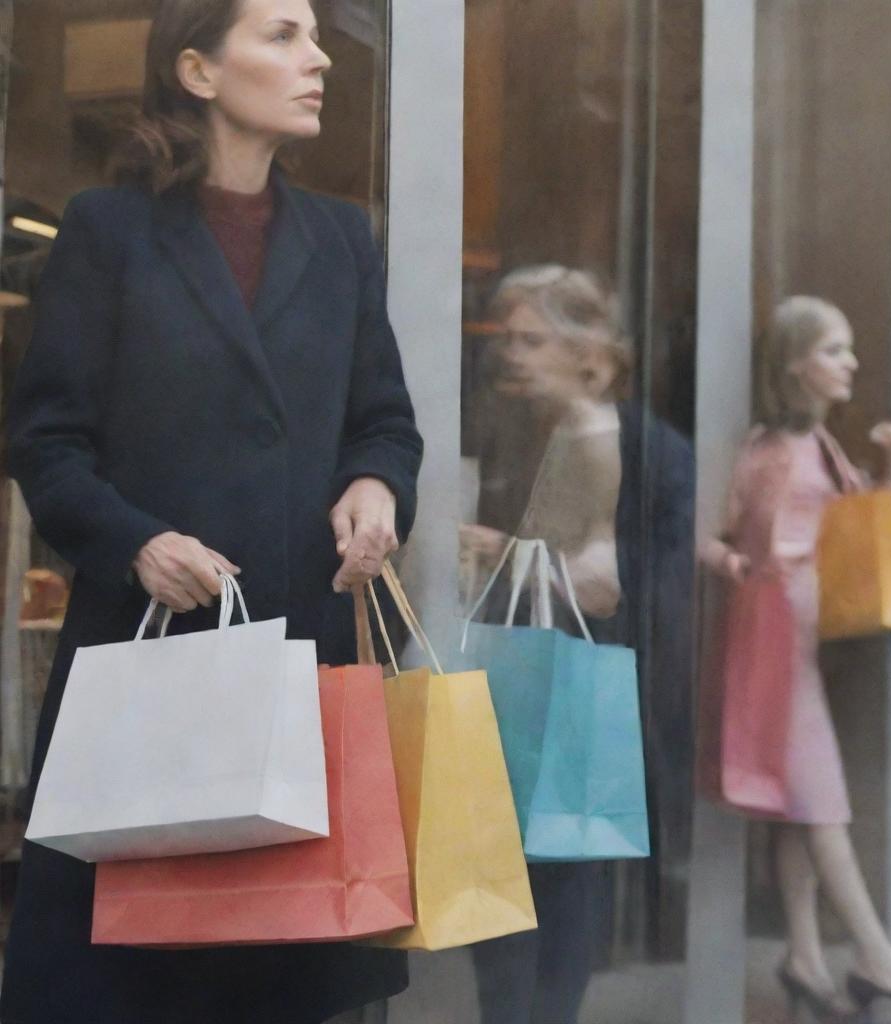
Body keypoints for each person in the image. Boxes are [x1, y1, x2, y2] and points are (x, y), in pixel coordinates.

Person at [0, 1, 422, 1022]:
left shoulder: (343, 239)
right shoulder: (109, 228)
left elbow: (384, 423)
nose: (317, 57)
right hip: (150, 663)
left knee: (279, 981)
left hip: (303, 653)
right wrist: (134, 540)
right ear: (196, 69)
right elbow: (46, 444)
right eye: (282, 33)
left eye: (317, 35)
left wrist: (377, 486)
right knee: (127, 977)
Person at [701, 296, 891, 1020]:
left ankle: (806, 958)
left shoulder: (818, 445)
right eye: (835, 349)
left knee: (798, 805)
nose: (852, 363)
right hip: (776, 643)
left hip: (804, 643)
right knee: (823, 805)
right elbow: (716, 530)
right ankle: (875, 958)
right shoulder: (770, 448)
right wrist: (735, 566)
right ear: (794, 364)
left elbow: (857, 528)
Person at [462, 265, 694, 1023]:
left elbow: (603, 581)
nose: (513, 355)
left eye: (533, 340)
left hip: (565, 680)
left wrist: (502, 552)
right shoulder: (556, 427)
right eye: (508, 339)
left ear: (583, 349)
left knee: (552, 877)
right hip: (545, 674)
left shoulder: (599, 436)